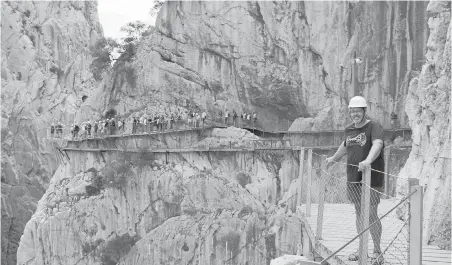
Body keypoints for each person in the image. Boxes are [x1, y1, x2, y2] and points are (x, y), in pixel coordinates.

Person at [325, 96, 385, 264]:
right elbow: (345, 145)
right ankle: (362, 248)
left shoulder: (374, 127)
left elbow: (378, 144)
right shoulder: (349, 129)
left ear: (364, 111)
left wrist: (368, 161)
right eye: (352, 112)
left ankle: (378, 251)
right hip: (353, 177)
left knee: (371, 214)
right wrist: (334, 159)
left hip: (371, 177)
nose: (354, 114)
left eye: (358, 111)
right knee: (359, 213)